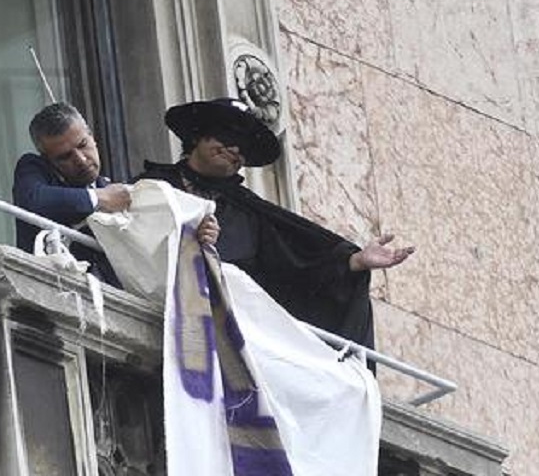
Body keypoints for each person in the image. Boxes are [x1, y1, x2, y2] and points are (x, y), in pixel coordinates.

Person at [134, 98, 414, 351]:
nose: (234, 149)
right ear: (197, 135)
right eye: (227, 134)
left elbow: (294, 269)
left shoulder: (250, 214)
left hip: (225, 340)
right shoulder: (151, 185)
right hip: (152, 317)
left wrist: (352, 262)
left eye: (244, 147)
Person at [13, 102, 219, 284]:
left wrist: (195, 229)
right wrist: (100, 198)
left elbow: (155, 236)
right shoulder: (35, 169)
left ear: (92, 138)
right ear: (48, 160)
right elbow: (33, 200)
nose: (81, 160)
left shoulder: (116, 189)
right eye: (65, 157)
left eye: (82, 145)